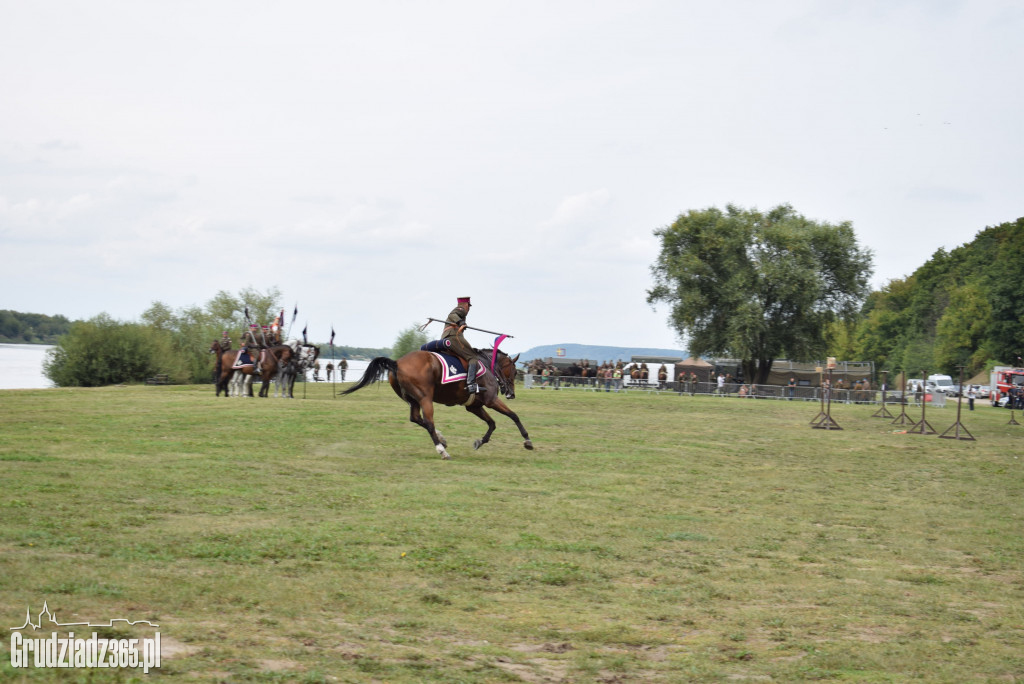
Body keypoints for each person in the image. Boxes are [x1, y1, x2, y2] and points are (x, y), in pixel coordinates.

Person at [441, 296, 480, 393]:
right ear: (466, 304)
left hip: (447, 336)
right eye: (469, 306)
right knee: (473, 357)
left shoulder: (462, 312)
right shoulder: (461, 309)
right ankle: (471, 384)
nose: (469, 309)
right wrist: (460, 321)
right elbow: (452, 314)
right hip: (453, 336)